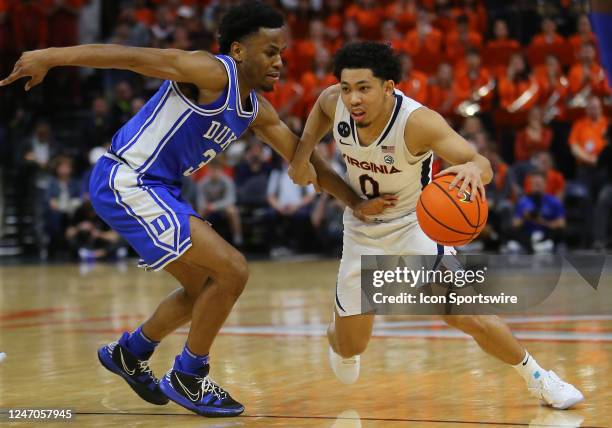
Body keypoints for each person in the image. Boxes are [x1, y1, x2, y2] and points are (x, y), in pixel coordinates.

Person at [0, 2, 392, 418]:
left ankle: (129, 353)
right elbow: (131, 58)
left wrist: (356, 201)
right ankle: (189, 375)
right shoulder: (211, 72)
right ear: (239, 50)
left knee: (205, 287)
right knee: (233, 270)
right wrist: (50, 56)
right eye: (270, 51)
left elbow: (303, 156)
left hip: (159, 188)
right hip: (128, 179)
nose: (280, 61)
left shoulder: (255, 109)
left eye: (281, 52)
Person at [289, 42, 583, 410]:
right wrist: (302, 157)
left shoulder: (418, 122)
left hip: (416, 225)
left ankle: (540, 378)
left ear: (388, 87)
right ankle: (337, 334)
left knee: (467, 313)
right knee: (350, 347)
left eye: (364, 88)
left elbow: (481, 163)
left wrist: (475, 168)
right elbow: (319, 109)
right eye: (347, 88)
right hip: (362, 229)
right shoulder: (334, 101)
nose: (353, 98)